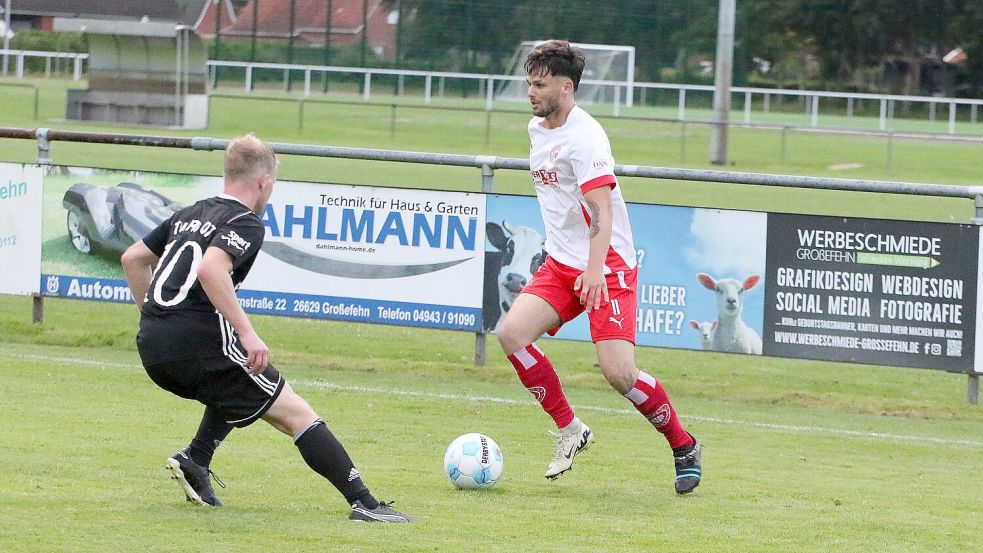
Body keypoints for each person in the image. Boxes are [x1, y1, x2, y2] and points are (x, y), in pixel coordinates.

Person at [121, 134, 411, 521]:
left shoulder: (190, 212)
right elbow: (211, 269)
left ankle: (196, 459)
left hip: (153, 346)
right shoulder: (246, 221)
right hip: (197, 342)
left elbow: (133, 258)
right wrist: (247, 332)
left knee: (234, 381)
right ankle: (365, 503)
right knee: (297, 413)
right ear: (264, 181)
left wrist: (155, 316)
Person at [496, 40, 702, 494]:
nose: (531, 92)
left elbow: (601, 212)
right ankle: (570, 430)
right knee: (511, 335)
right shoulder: (538, 128)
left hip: (605, 265)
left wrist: (594, 271)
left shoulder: (586, 137)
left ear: (566, 88)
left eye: (540, 84)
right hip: (562, 262)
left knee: (619, 374)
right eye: (529, 83)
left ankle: (684, 445)